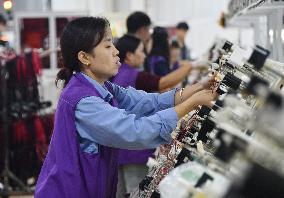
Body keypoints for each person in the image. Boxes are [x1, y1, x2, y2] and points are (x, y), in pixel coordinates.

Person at [35, 17, 217, 198]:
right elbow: (135, 131)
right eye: (108, 46)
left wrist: (199, 87)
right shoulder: (84, 101)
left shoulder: (104, 88)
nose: (116, 52)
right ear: (84, 57)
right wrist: (192, 103)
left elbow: (150, 102)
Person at [113, 34, 214, 197]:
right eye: (141, 51)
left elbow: (154, 101)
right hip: (135, 152)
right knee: (136, 192)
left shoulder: (117, 79)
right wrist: (191, 68)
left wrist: (197, 87)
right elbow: (162, 85)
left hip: (121, 151)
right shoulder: (132, 75)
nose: (145, 55)